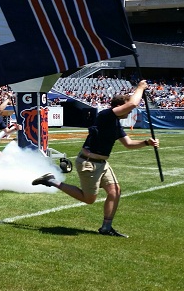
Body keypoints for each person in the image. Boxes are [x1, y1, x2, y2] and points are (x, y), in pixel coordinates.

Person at [32, 80, 159, 238]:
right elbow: (133, 104)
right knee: (89, 199)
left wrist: (146, 143)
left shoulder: (116, 123)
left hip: (102, 163)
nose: (131, 110)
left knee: (115, 191)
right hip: (89, 163)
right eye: (125, 107)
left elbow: (129, 144)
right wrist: (140, 87)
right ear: (119, 106)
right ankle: (52, 181)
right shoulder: (106, 115)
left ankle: (107, 227)